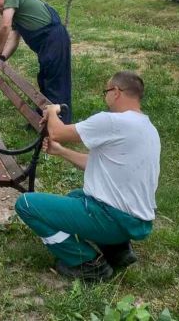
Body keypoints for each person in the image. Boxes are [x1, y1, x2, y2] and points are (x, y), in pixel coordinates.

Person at [14, 71, 160, 281]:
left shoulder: (112, 122)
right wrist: (60, 151)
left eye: (106, 91)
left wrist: (53, 111)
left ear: (116, 92)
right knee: (75, 196)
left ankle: (88, 263)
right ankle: (117, 250)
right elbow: (98, 165)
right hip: (135, 221)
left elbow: (58, 132)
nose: (105, 97)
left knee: (26, 204)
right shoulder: (148, 128)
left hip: (112, 218)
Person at [0, 0, 72, 123]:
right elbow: (13, 40)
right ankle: (42, 118)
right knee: (45, 79)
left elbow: (5, 26)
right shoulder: (18, 15)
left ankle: (58, 123)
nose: (1, 13)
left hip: (54, 38)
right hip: (47, 45)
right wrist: (2, 57)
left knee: (55, 82)